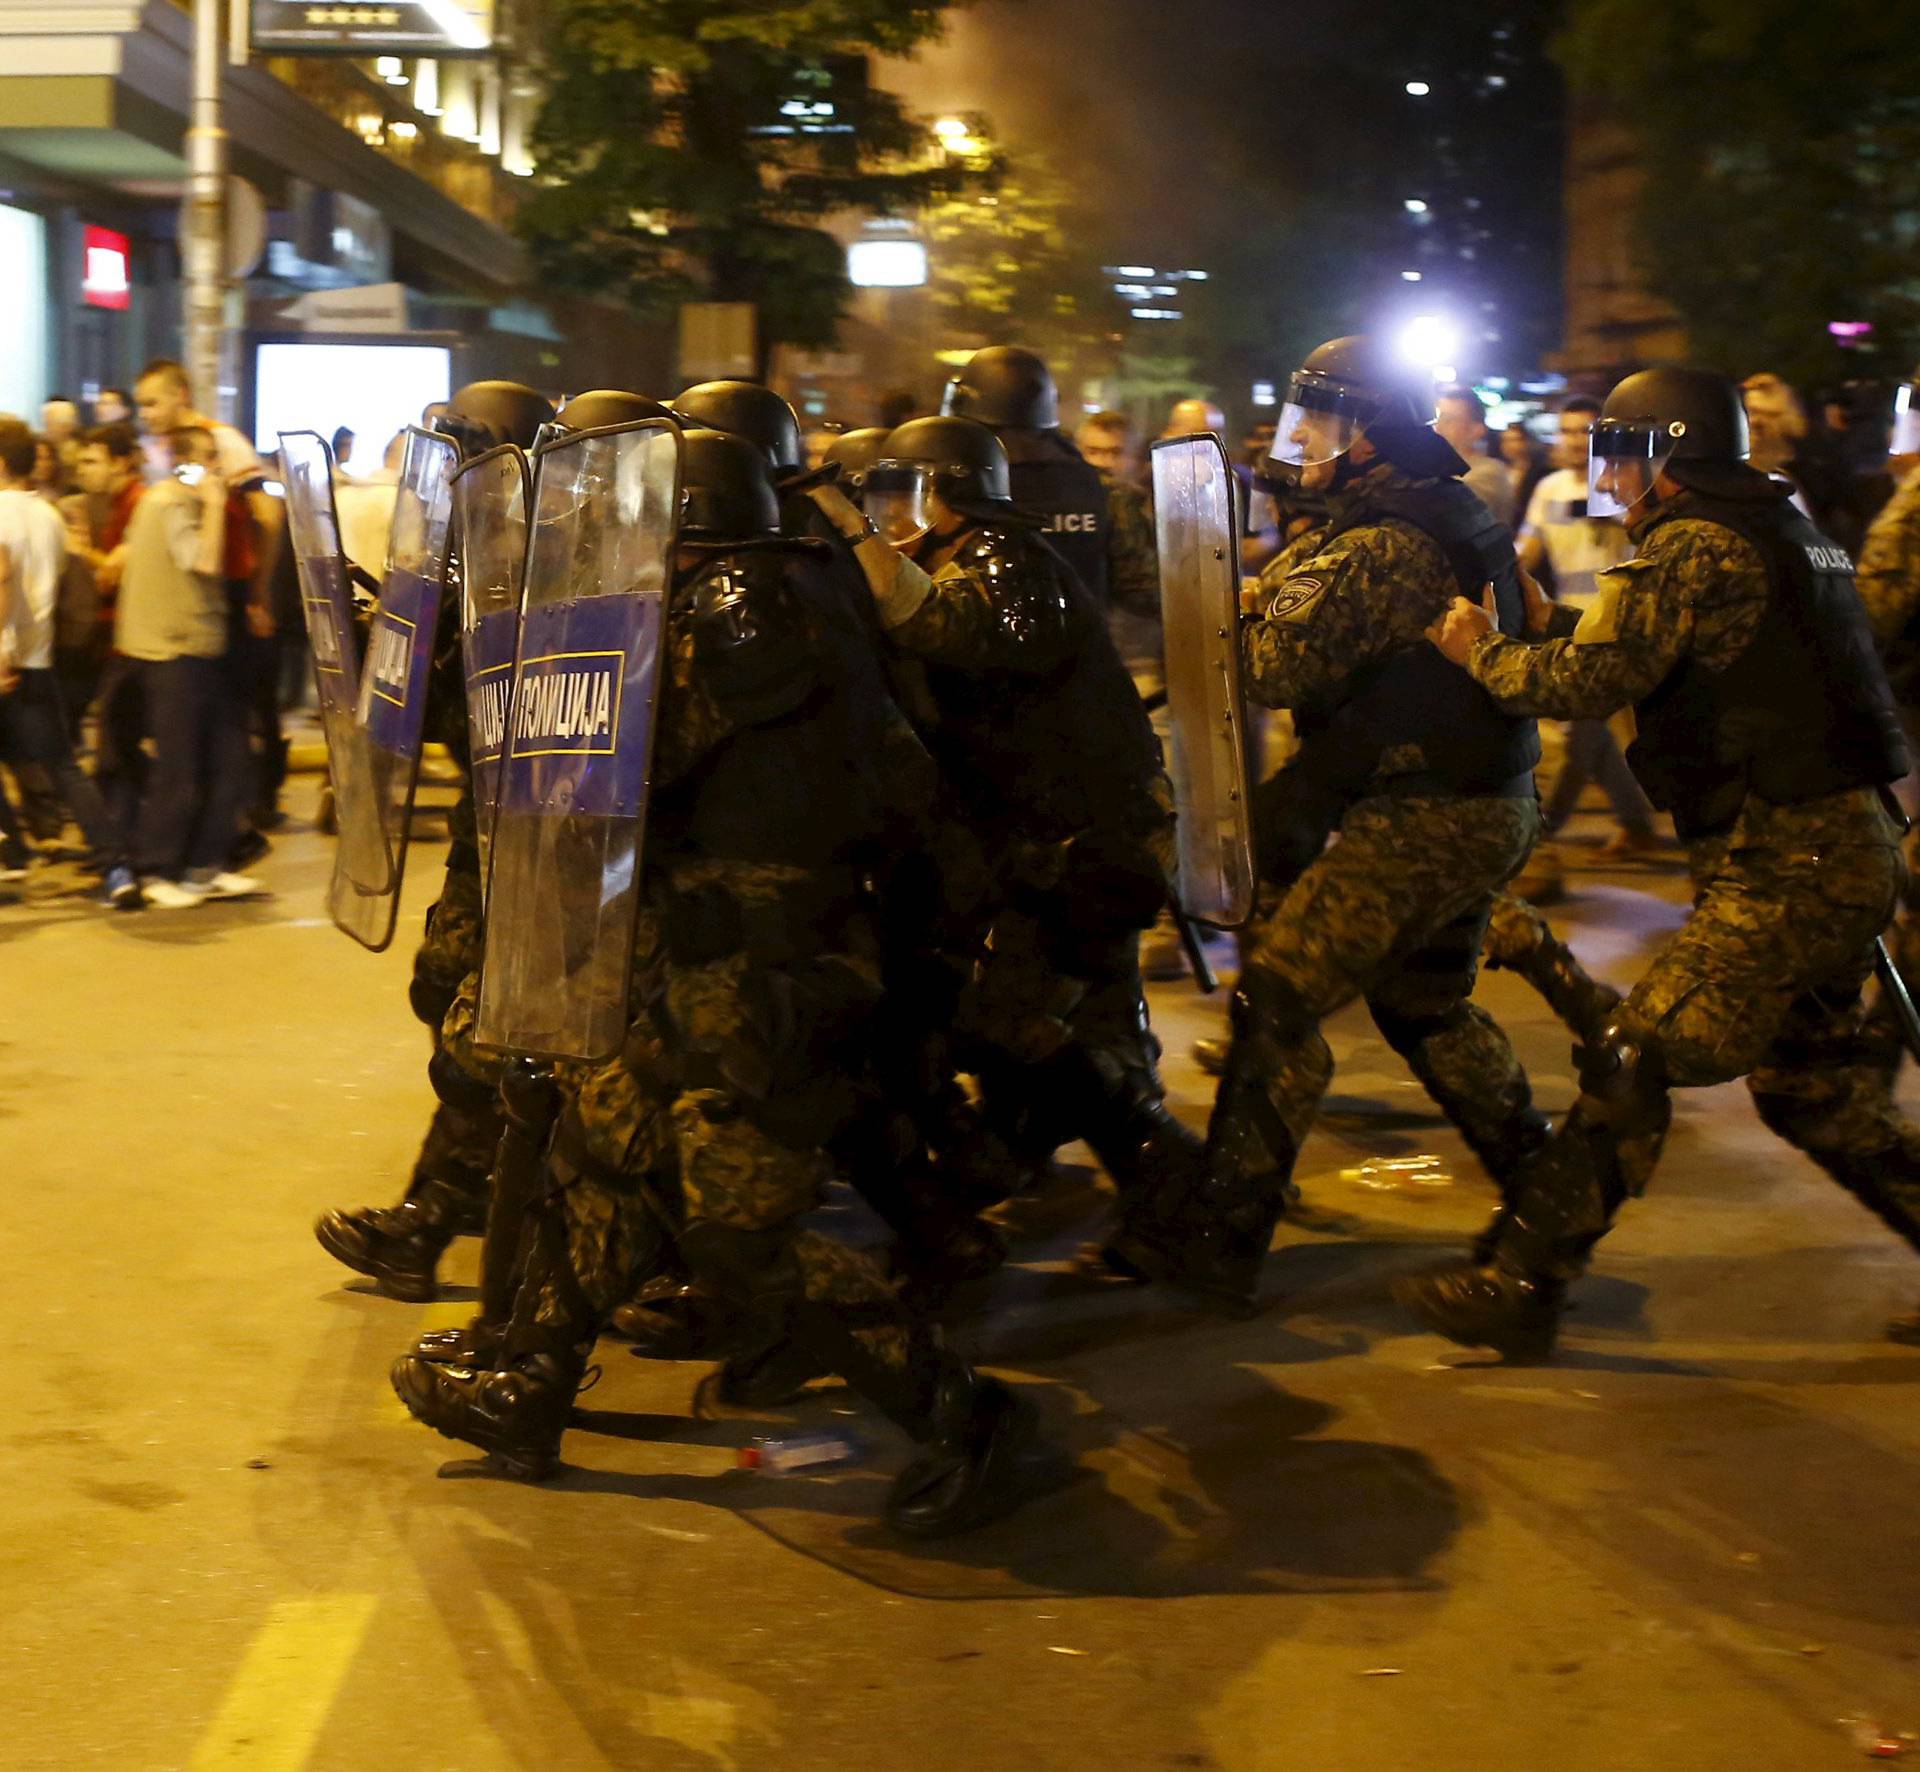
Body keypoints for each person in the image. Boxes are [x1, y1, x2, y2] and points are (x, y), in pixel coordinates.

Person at [393, 426, 1036, 1538]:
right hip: (699, 959)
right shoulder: (792, 593)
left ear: (681, 528)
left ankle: (960, 1412)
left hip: (762, 972)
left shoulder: (745, 615)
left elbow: (614, 753)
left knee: (744, 1229)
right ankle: (529, 1387)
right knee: (598, 1151)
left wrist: (482, 680)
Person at [1405, 365, 1920, 1355]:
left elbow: (1601, 678)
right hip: (1843, 846)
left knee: (1633, 1054)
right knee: (1815, 1097)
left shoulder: (1691, 542)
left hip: (1793, 861)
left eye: (1624, 452)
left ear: (1666, 456)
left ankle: (1526, 1279)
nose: (1610, 474)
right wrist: (1556, 630)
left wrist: (1481, 650)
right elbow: (1678, 653)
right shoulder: (1787, 529)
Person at [1104, 336, 1545, 1310]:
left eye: (1325, 424)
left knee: (1280, 999)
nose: (1303, 444)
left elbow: (1265, 670)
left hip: (1424, 812)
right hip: (1480, 798)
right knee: (1425, 1005)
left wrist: (1243, 616)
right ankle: (1553, 1195)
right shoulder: (1431, 509)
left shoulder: (1384, 540)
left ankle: (1223, 1236)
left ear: (1373, 433)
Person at [813, 414, 1198, 1257]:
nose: (883, 515)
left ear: (946, 493)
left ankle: (1166, 1173)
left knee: (1007, 1019)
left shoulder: (1011, 564)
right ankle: (1146, 1188)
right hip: (1043, 844)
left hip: (1095, 839)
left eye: (895, 494)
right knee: (1062, 1026)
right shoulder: (950, 561)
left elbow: (944, 628)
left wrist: (850, 536)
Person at [112, 426, 263, 907]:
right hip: (171, 653)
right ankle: (155, 870)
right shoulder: (170, 502)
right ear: (185, 463)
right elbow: (202, 562)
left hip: (202, 650)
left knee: (231, 761)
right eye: (207, 461)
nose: (218, 468)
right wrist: (217, 503)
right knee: (179, 769)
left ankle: (204, 866)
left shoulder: (186, 501)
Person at [135, 360, 284, 838]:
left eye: (153, 402)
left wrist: (259, 592)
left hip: (231, 592)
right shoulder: (168, 451)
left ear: (181, 395)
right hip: (187, 604)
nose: (147, 414)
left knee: (232, 715)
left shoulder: (220, 441)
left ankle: (238, 819)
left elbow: (268, 513)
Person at [0, 423, 138, 906]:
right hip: (39, 660)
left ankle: (14, 853)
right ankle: (115, 865)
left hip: (3, 661)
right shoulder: (50, 517)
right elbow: (54, 582)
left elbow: (1, 581)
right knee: (63, 767)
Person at [1518, 396, 1660, 861]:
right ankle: (1633, 824)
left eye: (1585, 432)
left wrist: (1619, 516)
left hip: (1616, 628)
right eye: (1568, 431)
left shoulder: (1626, 483)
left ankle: (1543, 829)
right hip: (1568, 628)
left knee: (1584, 733)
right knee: (1588, 735)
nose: (1575, 442)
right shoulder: (1549, 488)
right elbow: (1528, 550)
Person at [1435, 385, 1517, 526]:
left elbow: (1443, 505)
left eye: (1449, 420)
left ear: (1476, 429)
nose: (1438, 428)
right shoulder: (1440, 469)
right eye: (1437, 419)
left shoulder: (1489, 473)